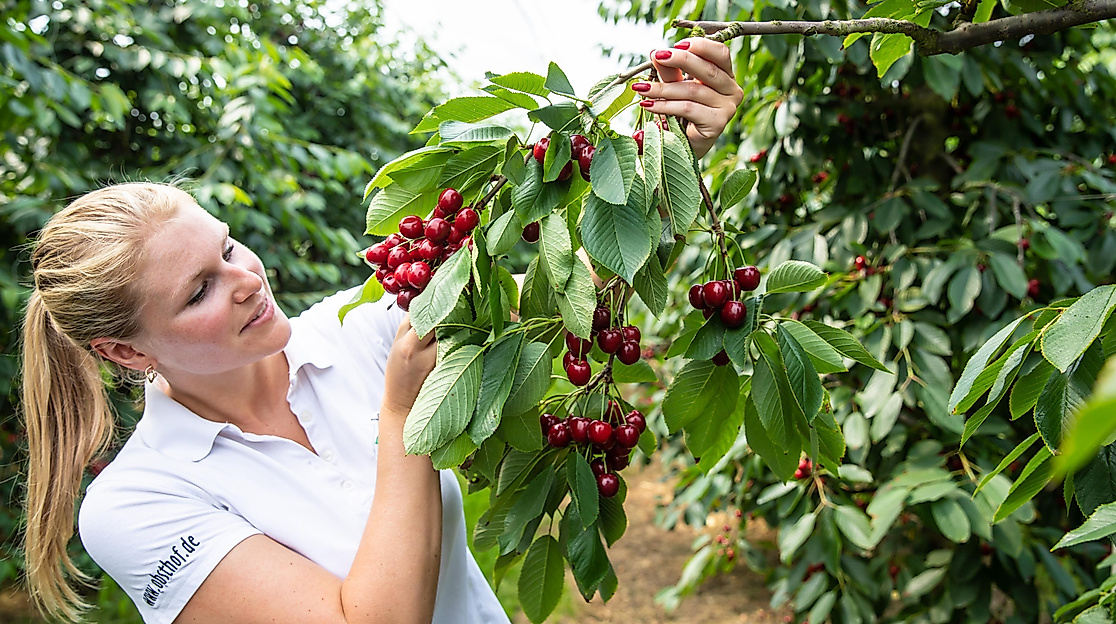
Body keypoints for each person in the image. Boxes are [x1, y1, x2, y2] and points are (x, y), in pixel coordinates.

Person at [19, 39, 743, 624]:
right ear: (126, 350)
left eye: (229, 248)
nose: (246, 278)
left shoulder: (355, 333)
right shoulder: (139, 501)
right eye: (200, 289)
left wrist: (671, 149)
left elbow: (571, 299)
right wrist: (403, 416)